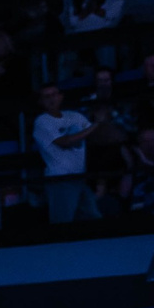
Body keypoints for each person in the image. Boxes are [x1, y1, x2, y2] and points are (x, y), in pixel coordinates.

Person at [34, 84, 101, 223]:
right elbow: (64, 141)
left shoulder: (74, 116)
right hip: (60, 179)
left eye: (54, 94)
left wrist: (99, 114)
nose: (51, 99)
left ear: (60, 96)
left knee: (92, 217)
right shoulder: (42, 121)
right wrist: (95, 125)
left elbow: (95, 132)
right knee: (62, 222)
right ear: (40, 101)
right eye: (47, 96)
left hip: (80, 177)